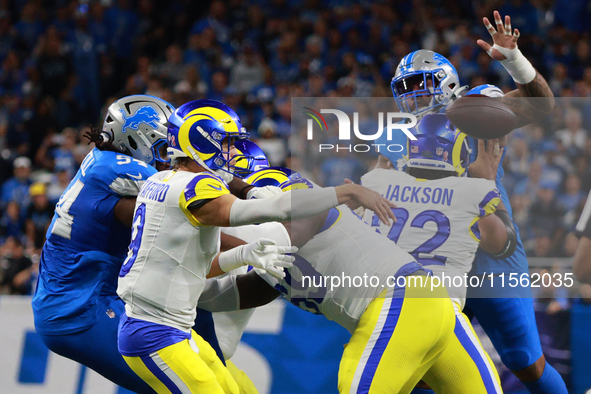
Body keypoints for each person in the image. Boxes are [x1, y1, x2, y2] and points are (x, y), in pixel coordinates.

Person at [116, 99, 394, 394]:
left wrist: (245, 254)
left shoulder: (159, 180)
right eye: (227, 143)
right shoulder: (194, 188)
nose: (233, 152)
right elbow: (272, 210)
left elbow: (198, 267)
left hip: (170, 327)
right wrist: (341, 192)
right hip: (155, 333)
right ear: (199, 141)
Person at [372, 10, 566, 394]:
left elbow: (541, 104)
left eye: (421, 85)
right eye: (405, 88)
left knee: (525, 362)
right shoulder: (394, 138)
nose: (413, 96)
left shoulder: (476, 108)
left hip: (492, 258)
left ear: (446, 85)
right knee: (424, 369)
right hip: (433, 260)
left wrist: (515, 60)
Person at [32, 95, 176, 393]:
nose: (169, 156)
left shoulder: (103, 160)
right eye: (162, 146)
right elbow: (185, 192)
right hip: (78, 308)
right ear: (136, 139)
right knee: (174, 384)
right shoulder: (116, 167)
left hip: (94, 296)